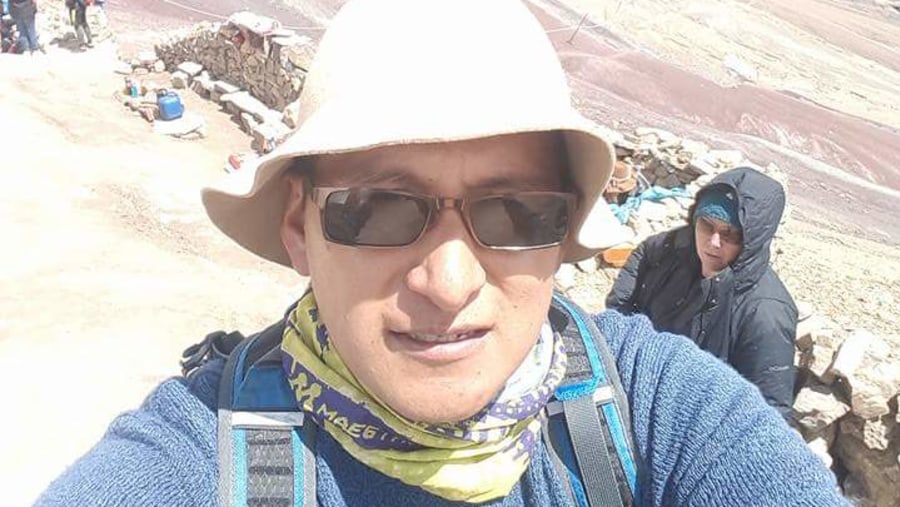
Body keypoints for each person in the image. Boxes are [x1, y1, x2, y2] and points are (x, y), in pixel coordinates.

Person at [35, 1, 844, 506]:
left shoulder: (660, 414)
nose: (449, 282)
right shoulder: (197, 460)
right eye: (379, 209)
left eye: (517, 211)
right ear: (297, 229)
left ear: (563, 235)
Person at [606, 168, 798, 418]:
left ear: (753, 240)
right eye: (707, 226)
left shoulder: (765, 313)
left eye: (730, 234)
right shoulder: (669, 254)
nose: (713, 242)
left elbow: (769, 413)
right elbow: (621, 308)